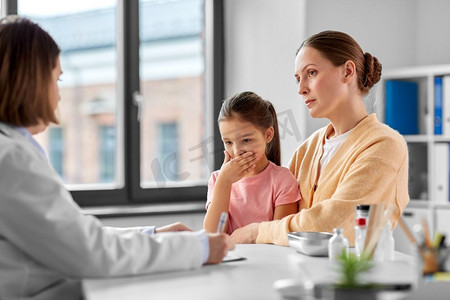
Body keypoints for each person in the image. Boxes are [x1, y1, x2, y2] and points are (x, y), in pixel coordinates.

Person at [0, 16, 234, 300]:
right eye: (56, 79)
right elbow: (88, 252)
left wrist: (152, 234)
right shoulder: (11, 157)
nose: (58, 94)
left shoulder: (12, 150)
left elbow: (76, 236)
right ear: (31, 81)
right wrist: (199, 249)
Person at [230, 30, 409, 245]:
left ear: (347, 71)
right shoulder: (307, 149)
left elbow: (335, 223)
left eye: (311, 73)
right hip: (300, 273)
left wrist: (256, 232)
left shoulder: (384, 145)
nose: (301, 89)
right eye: (298, 79)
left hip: (353, 276)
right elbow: (275, 218)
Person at [203, 91, 301, 234]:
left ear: (268, 135)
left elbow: (279, 236)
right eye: (228, 142)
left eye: (246, 140)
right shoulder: (217, 180)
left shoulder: (283, 180)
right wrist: (224, 182)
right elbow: (211, 236)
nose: (236, 151)